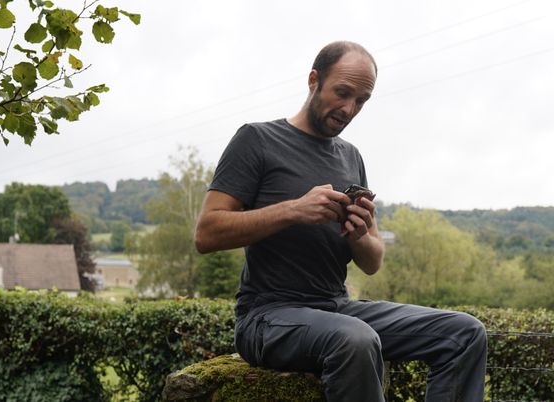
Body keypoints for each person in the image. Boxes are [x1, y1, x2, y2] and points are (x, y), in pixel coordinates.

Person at [194, 41, 487, 402]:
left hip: (337, 308)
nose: (349, 109)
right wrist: (293, 210)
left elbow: (372, 261)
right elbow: (206, 233)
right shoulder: (257, 140)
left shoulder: (351, 157)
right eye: (343, 93)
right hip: (267, 316)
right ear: (314, 80)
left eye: (361, 100)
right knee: (356, 338)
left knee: (464, 333)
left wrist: (359, 233)